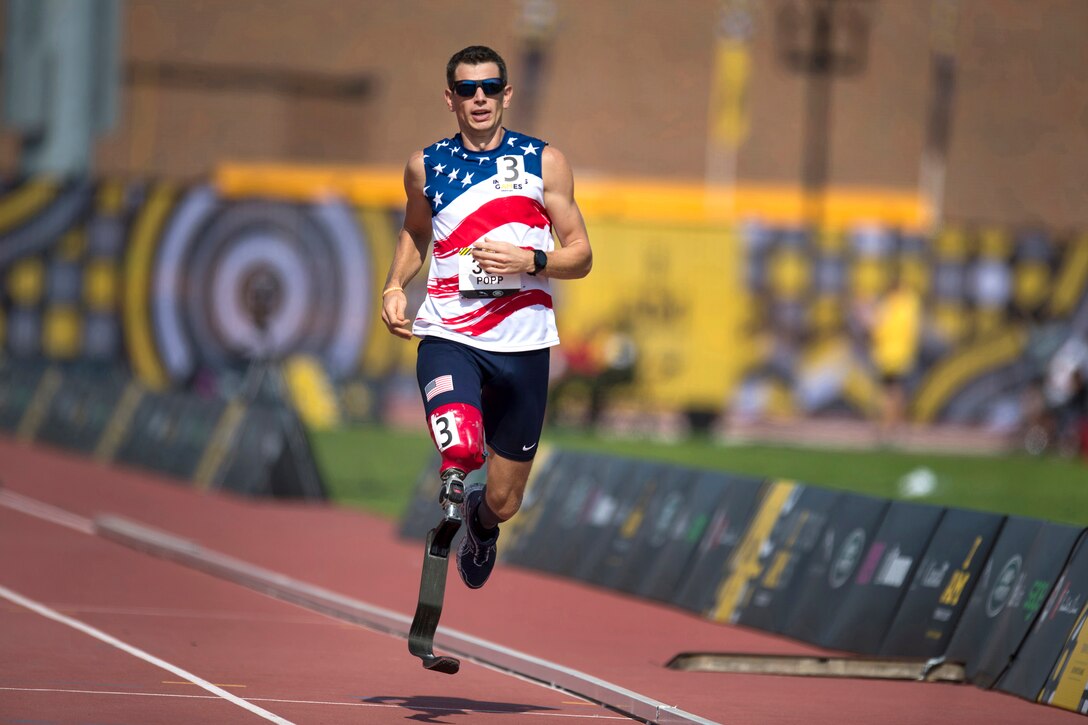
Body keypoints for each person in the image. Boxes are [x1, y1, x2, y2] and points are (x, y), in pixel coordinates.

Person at [380, 45, 592, 589]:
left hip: (523, 345)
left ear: (507, 94)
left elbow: (581, 254)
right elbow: (415, 231)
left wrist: (531, 259)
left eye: (491, 88)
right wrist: (394, 286)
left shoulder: (545, 162)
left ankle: (477, 518)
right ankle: (453, 480)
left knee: (505, 499)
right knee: (463, 446)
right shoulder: (424, 165)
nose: (480, 98)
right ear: (449, 98)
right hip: (449, 333)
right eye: (469, 90)